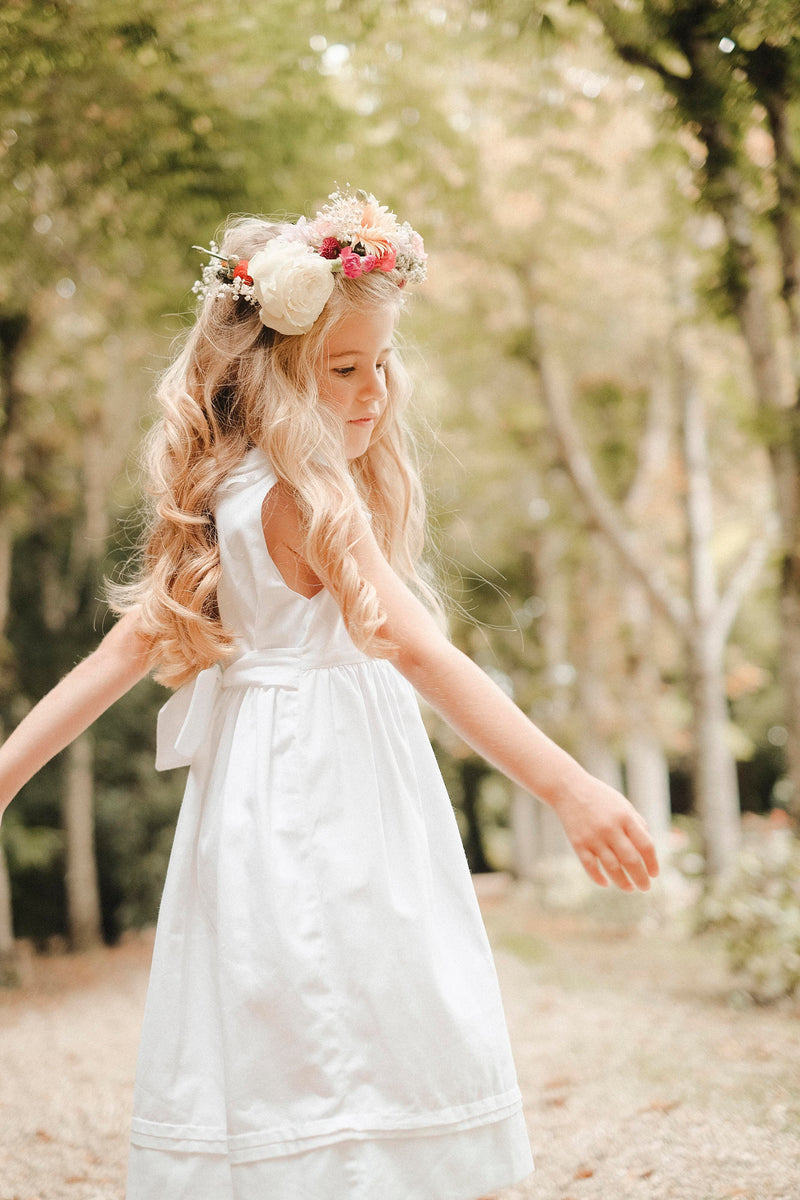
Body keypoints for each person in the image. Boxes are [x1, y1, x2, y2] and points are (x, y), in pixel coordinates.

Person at [0, 189, 658, 1200]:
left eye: (381, 365)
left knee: (300, 1009)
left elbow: (112, 663)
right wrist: (569, 790)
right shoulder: (303, 498)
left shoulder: (232, 496)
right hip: (327, 792)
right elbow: (421, 653)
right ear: (270, 379)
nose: (371, 393)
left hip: (259, 794)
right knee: (355, 995)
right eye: (342, 369)